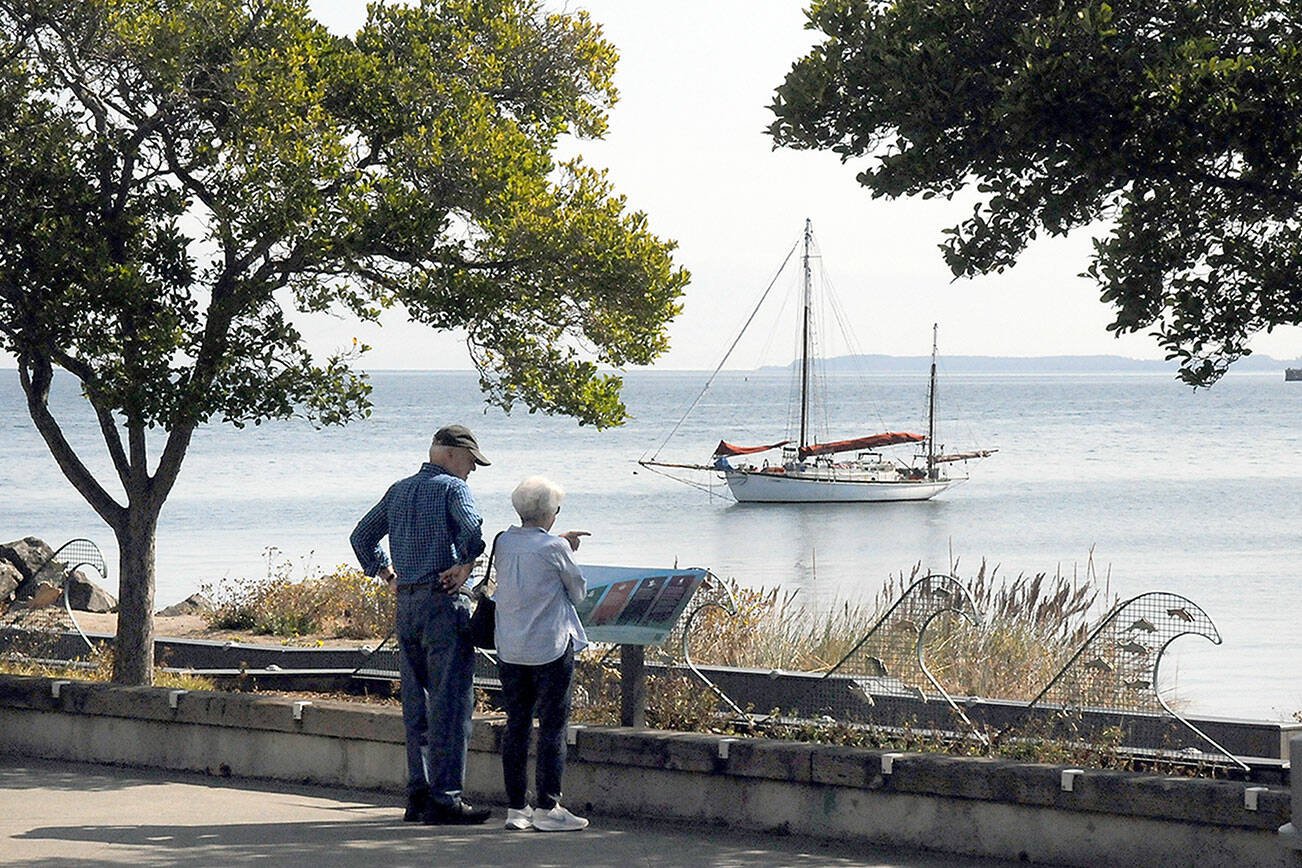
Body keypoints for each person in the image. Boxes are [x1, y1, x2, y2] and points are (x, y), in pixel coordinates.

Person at [350, 424, 491, 825]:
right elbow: (473, 530)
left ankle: (418, 795)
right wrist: (465, 565)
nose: (472, 470)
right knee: (451, 702)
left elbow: (361, 536)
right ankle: (446, 799)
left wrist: (385, 573)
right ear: (450, 454)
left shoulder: (399, 490)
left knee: (416, 704)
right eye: (470, 461)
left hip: (406, 602)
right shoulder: (452, 488)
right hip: (442, 603)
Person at [492, 476, 591, 832]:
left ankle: (516, 808)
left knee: (516, 725)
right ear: (551, 513)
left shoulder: (502, 543)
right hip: (550, 647)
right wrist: (563, 545)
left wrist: (557, 541)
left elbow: (530, 549)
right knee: (552, 726)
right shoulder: (555, 549)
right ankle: (549, 806)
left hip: (511, 647)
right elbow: (577, 592)